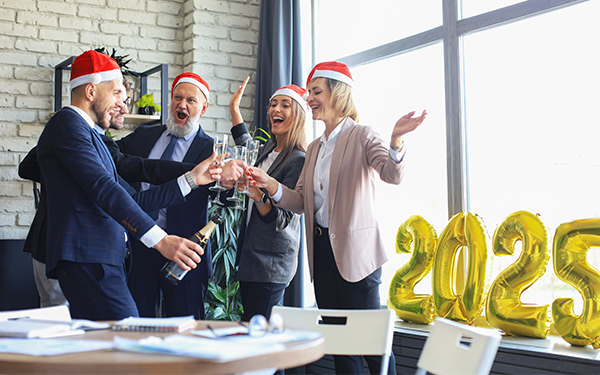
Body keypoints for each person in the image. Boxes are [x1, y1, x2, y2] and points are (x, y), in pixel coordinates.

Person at [248, 61, 427, 375]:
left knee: (373, 348)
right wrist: (269, 184)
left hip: (358, 258)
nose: (310, 99)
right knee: (342, 348)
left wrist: (396, 139)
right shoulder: (316, 147)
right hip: (324, 258)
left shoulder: (362, 135)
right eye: (310, 93)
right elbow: (300, 201)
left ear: (339, 94)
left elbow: (391, 174)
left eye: (316, 92)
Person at [35, 50, 218, 320]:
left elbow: (132, 197)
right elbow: (105, 189)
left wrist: (193, 178)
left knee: (118, 343)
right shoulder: (68, 124)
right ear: (90, 91)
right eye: (118, 93)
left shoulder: (91, 135)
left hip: (104, 257)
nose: (123, 103)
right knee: (127, 335)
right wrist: (161, 240)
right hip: (90, 256)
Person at [118, 72, 242, 320]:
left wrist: (231, 183)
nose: (182, 104)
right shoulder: (143, 135)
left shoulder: (213, 150)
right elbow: (114, 161)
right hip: (141, 245)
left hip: (185, 253)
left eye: (191, 100)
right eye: (177, 97)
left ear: (203, 108)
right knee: (135, 325)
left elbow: (226, 199)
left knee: (186, 328)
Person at [227, 78, 307, 321]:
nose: (275, 110)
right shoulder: (266, 150)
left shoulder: (299, 160)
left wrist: (259, 196)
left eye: (285, 105)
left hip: (272, 263)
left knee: (259, 336)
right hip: (251, 258)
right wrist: (234, 110)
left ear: (300, 116)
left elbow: (283, 219)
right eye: (273, 104)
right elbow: (246, 146)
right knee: (251, 329)